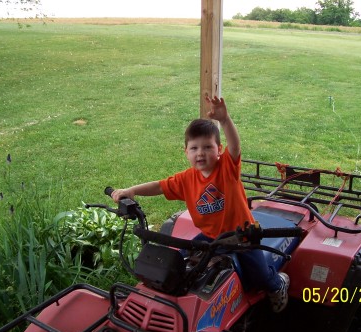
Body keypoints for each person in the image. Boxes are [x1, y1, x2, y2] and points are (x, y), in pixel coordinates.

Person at [111, 96, 289, 312]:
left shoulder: (227, 169)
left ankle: (278, 284)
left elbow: (235, 145)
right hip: (210, 237)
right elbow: (159, 186)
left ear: (219, 149)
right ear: (186, 152)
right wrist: (133, 190)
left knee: (260, 276)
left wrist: (224, 120)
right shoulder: (186, 180)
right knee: (179, 261)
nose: (201, 153)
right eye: (194, 148)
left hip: (242, 235)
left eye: (207, 147)